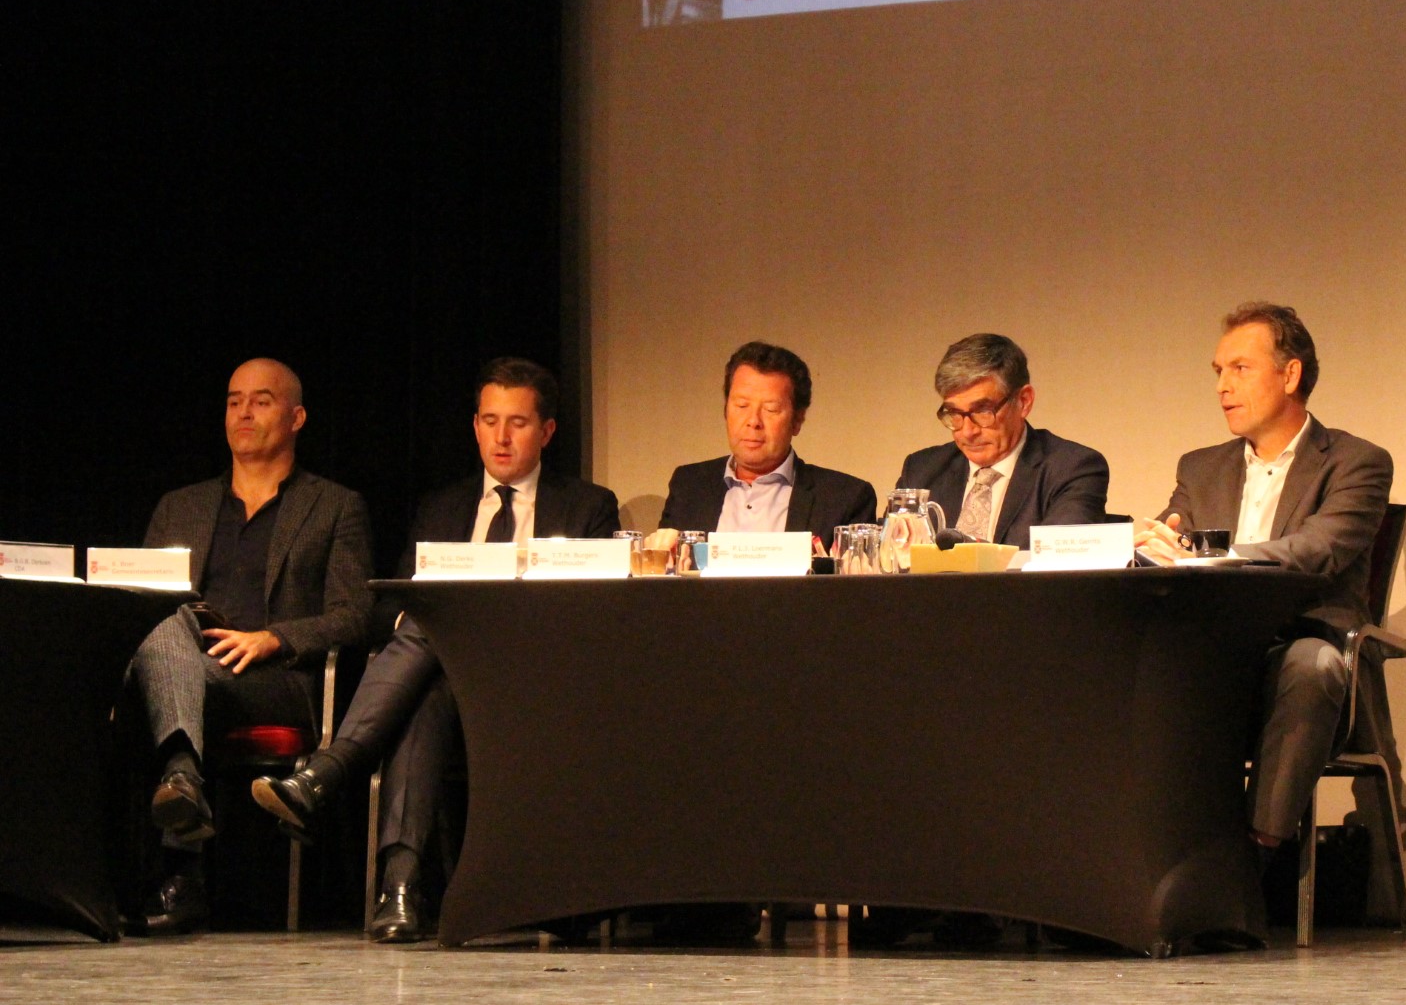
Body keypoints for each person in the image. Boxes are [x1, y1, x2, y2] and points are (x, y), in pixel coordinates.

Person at [251, 357, 619, 943]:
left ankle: (333, 769)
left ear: (547, 431)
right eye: (490, 421)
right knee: (427, 669)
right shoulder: (442, 508)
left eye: (518, 423)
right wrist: (435, 621)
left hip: (535, 679)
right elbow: (388, 607)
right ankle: (399, 891)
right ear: (474, 425)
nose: (501, 437)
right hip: (448, 675)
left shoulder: (588, 506)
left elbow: (595, 610)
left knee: (434, 623)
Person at [1133, 303, 1395, 859]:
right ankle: (1153, 853)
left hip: (1304, 653)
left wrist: (1213, 556)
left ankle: (1257, 855)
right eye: (1218, 372)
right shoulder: (1200, 467)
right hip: (1215, 655)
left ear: (1290, 374)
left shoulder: (1356, 462)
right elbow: (1171, 540)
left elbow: (1319, 550)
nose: (1222, 387)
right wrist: (1150, 547)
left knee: (1311, 665)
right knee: (1134, 663)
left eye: (1240, 369)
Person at [126, 358, 374, 935]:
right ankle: (183, 782)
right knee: (163, 620)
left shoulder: (335, 506)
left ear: (297, 418)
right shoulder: (179, 506)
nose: (243, 412)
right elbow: (141, 602)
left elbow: (356, 616)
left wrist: (274, 638)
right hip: (186, 664)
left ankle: (181, 858)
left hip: (276, 681)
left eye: (261, 401)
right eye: (234, 400)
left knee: (165, 665)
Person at [893, 333, 1109, 547]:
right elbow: (891, 556)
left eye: (982, 411)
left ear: (1024, 401)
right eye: (954, 413)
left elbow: (1057, 559)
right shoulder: (921, 471)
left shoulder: (1072, 469)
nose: (967, 432)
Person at [658, 341, 876, 544]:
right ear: (725, 410)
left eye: (771, 409)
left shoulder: (844, 499)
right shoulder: (689, 486)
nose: (753, 421)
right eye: (742, 406)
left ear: (797, 420)